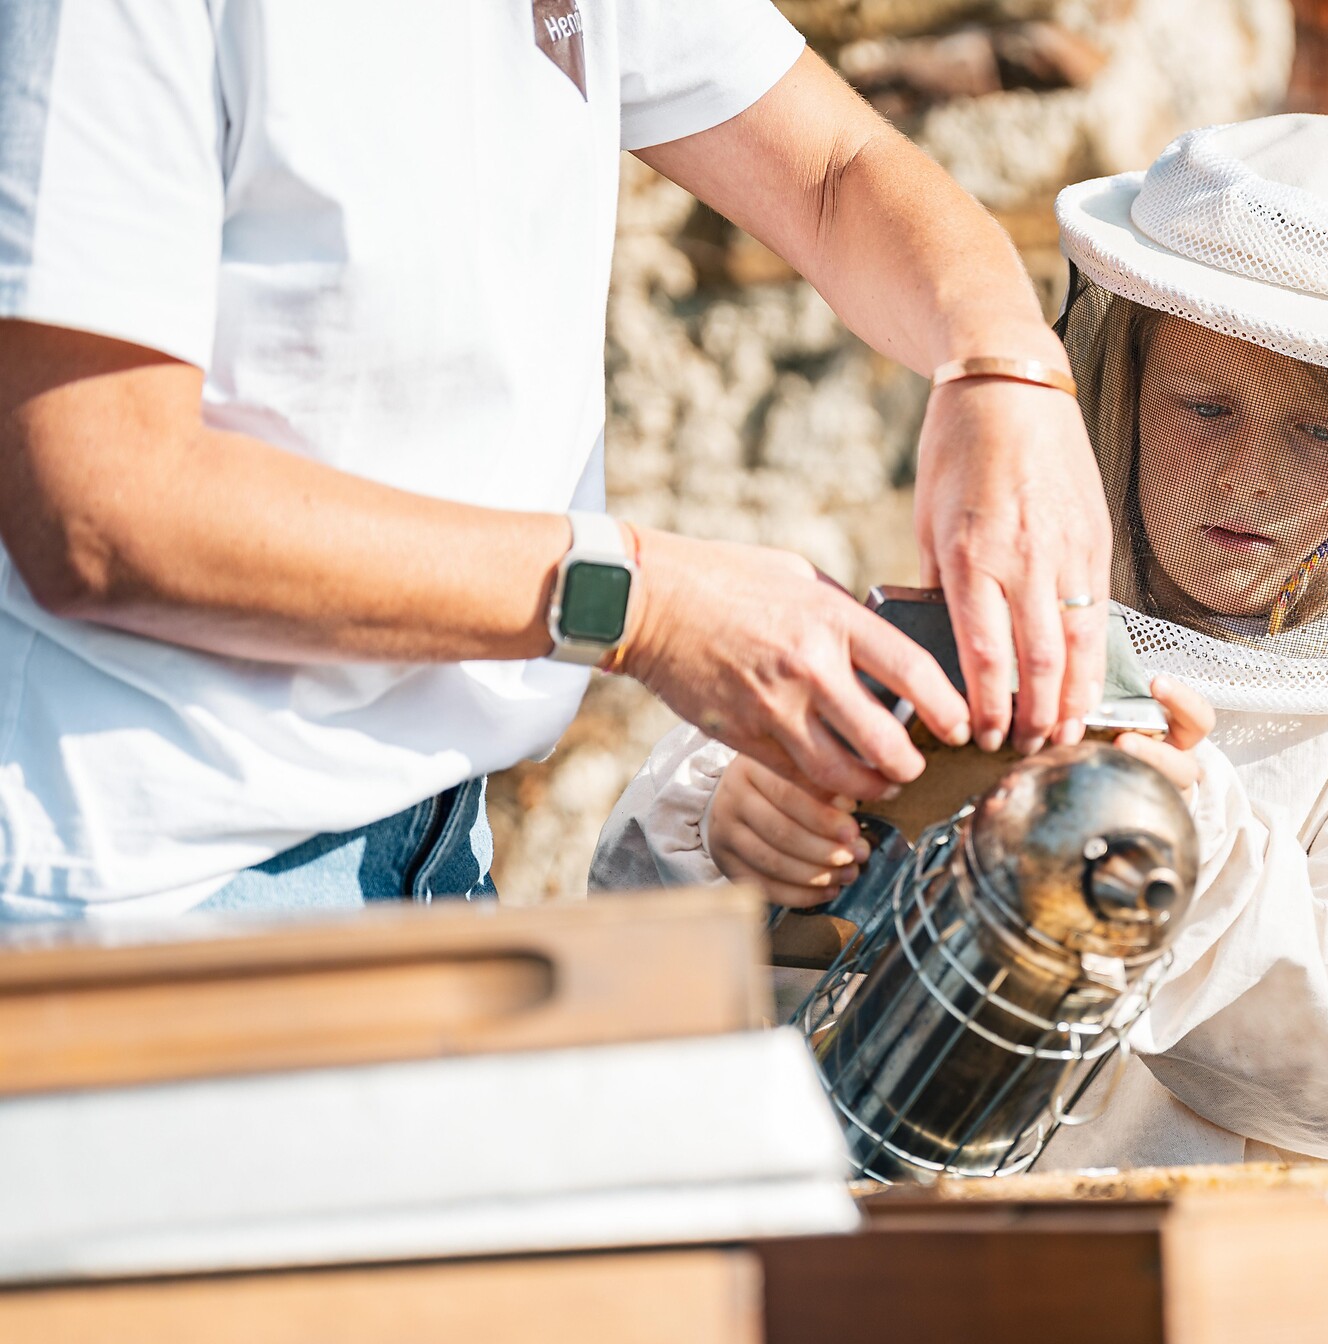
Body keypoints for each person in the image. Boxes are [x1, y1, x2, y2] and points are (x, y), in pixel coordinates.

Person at [591, 114, 1328, 1163]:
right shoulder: (1013, 599)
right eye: (1205, 408)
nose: (1247, 479)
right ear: (1119, 385)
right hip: (917, 1255)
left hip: (1248, 1277)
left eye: (1319, 430)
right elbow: (638, 944)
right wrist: (738, 825)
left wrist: (1176, 840)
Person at [0, 1, 1110, 921]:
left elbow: (832, 169)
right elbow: (99, 507)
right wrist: (644, 603)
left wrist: (1003, 367)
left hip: (434, 854)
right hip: (143, 889)